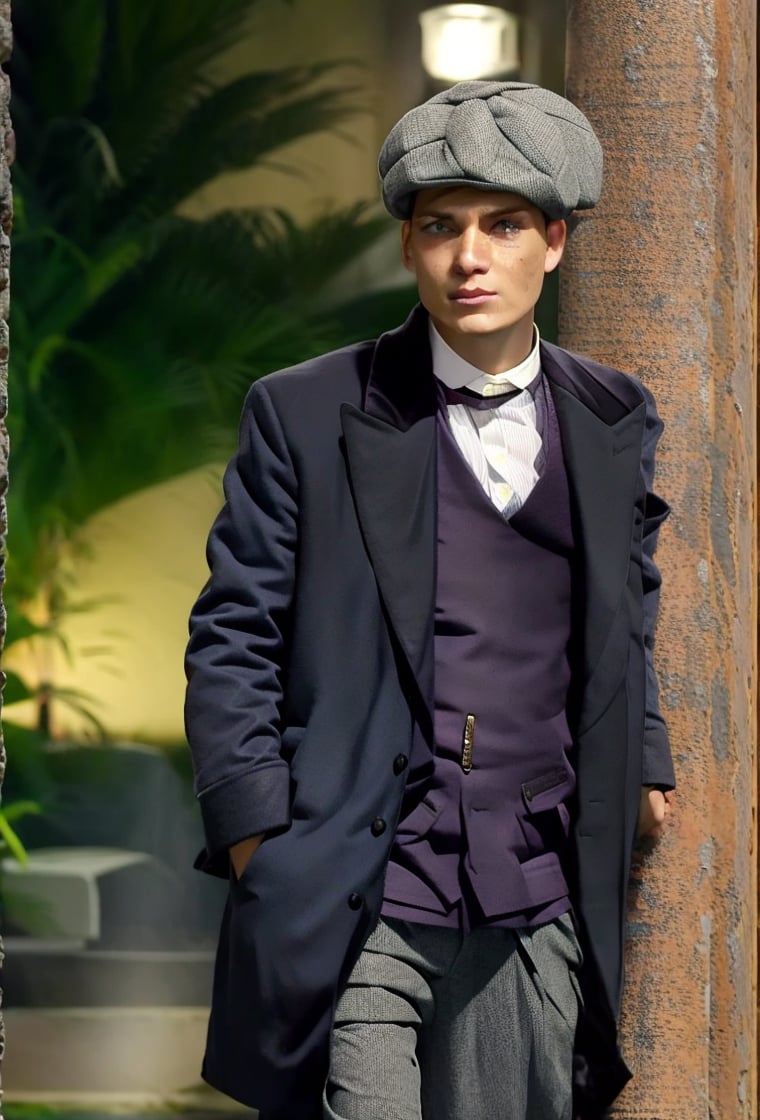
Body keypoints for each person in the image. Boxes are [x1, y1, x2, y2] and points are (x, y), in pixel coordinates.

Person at [184, 81, 674, 1120]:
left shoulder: (611, 411)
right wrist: (255, 837)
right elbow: (234, 632)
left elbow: (626, 603)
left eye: (502, 226)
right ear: (409, 245)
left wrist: (647, 755)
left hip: (535, 881)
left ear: (553, 241)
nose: (469, 258)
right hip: (359, 872)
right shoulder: (306, 410)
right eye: (441, 227)